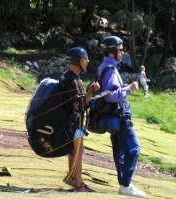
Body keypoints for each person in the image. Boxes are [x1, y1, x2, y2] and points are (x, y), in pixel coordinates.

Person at [98, 36, 146, 197]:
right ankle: (126, 185)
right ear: (112, 51)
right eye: (120, 50)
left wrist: (123, 87)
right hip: (119, 117)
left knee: (119, 152)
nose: (123, 52)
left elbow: (108, 91)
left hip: (113, 117)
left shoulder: (105, 66)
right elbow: (110, 96)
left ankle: (124, 184)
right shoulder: (110, 69)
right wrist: (129, 89)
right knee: (134, 149)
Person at [61, 47, 100, 192]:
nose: (88, 61)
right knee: (78, 151)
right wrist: (92, 91)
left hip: (71, 121)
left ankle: (71, 177)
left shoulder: (70, 77)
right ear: (78, 61)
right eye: (85, 59)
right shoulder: (72, 81)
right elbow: (79, 105)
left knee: (73, 151)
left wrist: (89, 91)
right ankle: (79, 185)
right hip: (73, 123)